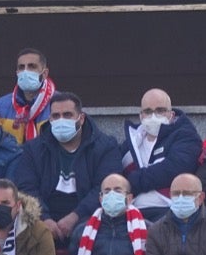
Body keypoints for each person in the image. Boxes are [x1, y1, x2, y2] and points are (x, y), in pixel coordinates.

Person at [14, 91, 125, 246]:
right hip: (43, 214)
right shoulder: (34, 149)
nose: (61, 120)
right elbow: (26, 187)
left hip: (88, 215)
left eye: (67, 115)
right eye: (56, 116)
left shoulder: (106, 147)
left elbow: (104, 187)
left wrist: (75, 216)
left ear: (81, 118)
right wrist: (44, 218)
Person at [120, 89, 204, 216]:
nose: (153, 116)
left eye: (160, 111)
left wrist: (129, 183)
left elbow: (173, 169)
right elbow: (112, 172)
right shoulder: (130, 143)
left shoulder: (186, 137)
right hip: (130, 214)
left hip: (169, 212)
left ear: (171, 114)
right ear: (141, 115)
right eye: (148, 111)